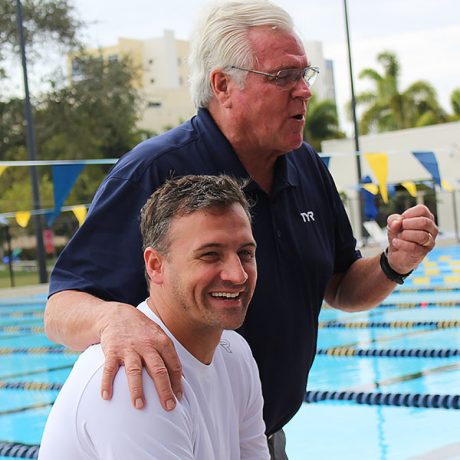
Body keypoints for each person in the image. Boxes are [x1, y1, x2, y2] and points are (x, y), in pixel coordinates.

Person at [44, 0, 438, 457]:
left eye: (304, 75)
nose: (303, 92)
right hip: (160, 424)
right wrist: (113, 318)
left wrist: (394, 263)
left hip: (260, 436)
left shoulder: (306, 166)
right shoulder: (154, 171)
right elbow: (61, 308)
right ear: (223, 85)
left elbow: (342, 287)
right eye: (283, 77)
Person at [39, 175, 269, 459]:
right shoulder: (130, 377)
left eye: (245, 253)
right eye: (210, 255)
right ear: (155, 265)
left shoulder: (236, 353)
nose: (238, 275)